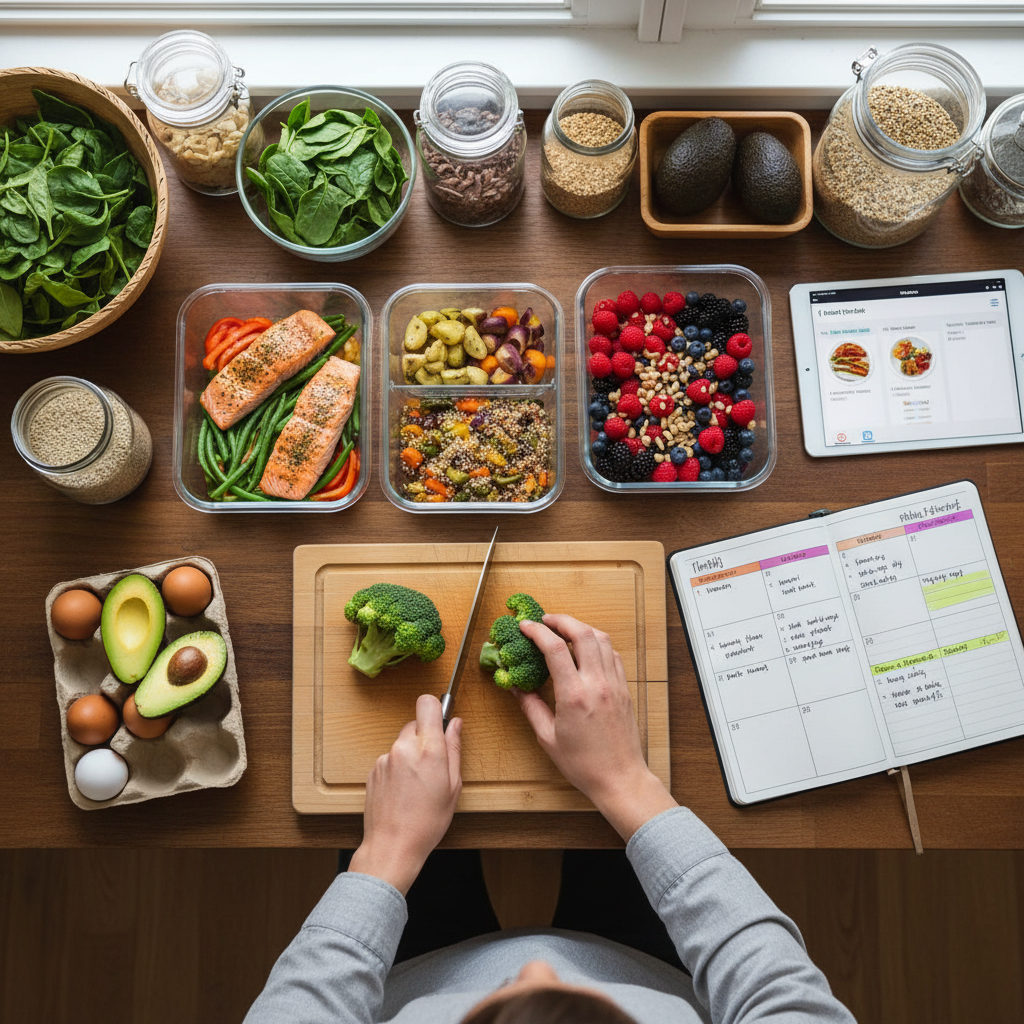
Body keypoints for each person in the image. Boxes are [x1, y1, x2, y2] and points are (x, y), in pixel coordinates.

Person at [245, 614, 856, 1023]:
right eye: (570, 995)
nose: (536, 964)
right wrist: (624, 781)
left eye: (506, 999)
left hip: (407, 975)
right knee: (603, 837)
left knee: (391, 805)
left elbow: (302, 1005)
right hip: (659, 968)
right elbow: (773, 981)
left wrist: (387, 852)